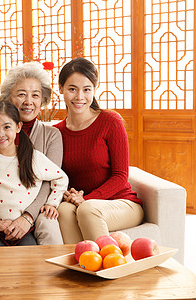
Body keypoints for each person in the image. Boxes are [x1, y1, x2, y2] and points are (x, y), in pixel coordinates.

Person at [0, 61, 64, 247]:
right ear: (8, 97)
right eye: (21, 94)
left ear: (43, 99)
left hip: (33, 214)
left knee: (47, 223)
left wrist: (27, 218)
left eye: (35, 95)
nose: (28, 101)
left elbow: (50, 182)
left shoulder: (51, 136)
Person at [54, 57, 144, 243]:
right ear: (61, 88)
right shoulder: (56, 133)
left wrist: (87, 199)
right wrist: (70, 196)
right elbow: (57, 176)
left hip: (121, 203)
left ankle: (110, 267)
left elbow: (120, 176)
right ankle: (80, 266)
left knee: (88, 209)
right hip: (82, 202)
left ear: (94, 90)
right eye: (72, 89)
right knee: (63, 210)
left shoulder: (110, 121)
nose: (80, 97)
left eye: (87, 90)